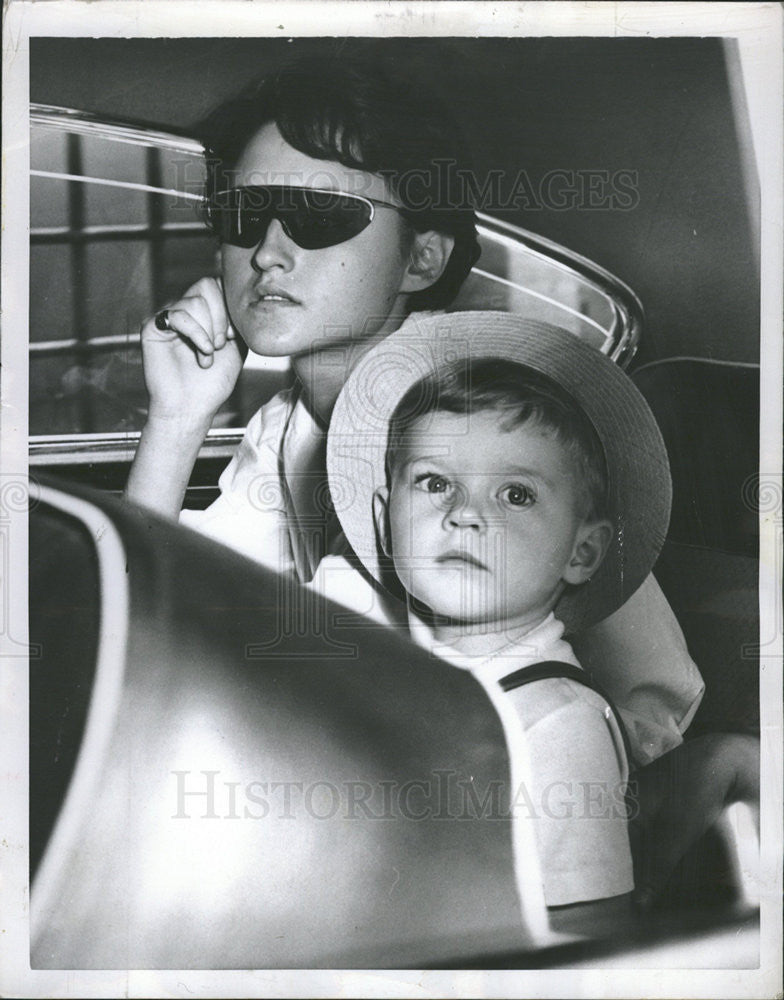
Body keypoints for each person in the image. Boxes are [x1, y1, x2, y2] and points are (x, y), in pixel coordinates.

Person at [124, 54, 702, 783]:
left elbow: (648, 708)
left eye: (319, 215)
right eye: (244, 216)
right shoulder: (287, 428)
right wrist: (177, 418)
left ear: (421, 259)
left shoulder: (494, 431)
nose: (268, 253)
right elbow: (157, 618)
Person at [326, 311, 674, 926]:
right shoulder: (388, 667)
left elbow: (588, 937)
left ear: (582, 551)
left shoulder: (559, 722)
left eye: (516, 494)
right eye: (435, 482)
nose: (465, 515)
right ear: (384, 521)